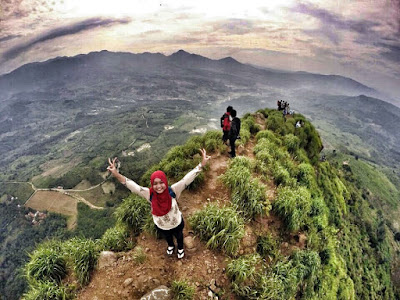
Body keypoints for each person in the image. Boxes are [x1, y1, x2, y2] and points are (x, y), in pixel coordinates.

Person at [107, 149, 211, 259]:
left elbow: (187, 179)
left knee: (179, 235)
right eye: (155, 184)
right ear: (152, 184)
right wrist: (116, 174)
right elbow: (132, 186)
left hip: (176, 222)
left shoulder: (174, 190)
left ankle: (180, 248)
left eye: (161, 182)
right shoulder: (149, 194)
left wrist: (201, 164)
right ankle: (171, 246)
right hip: (161, 225)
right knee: (167, 237)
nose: (159, 186)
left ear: (165, 182)